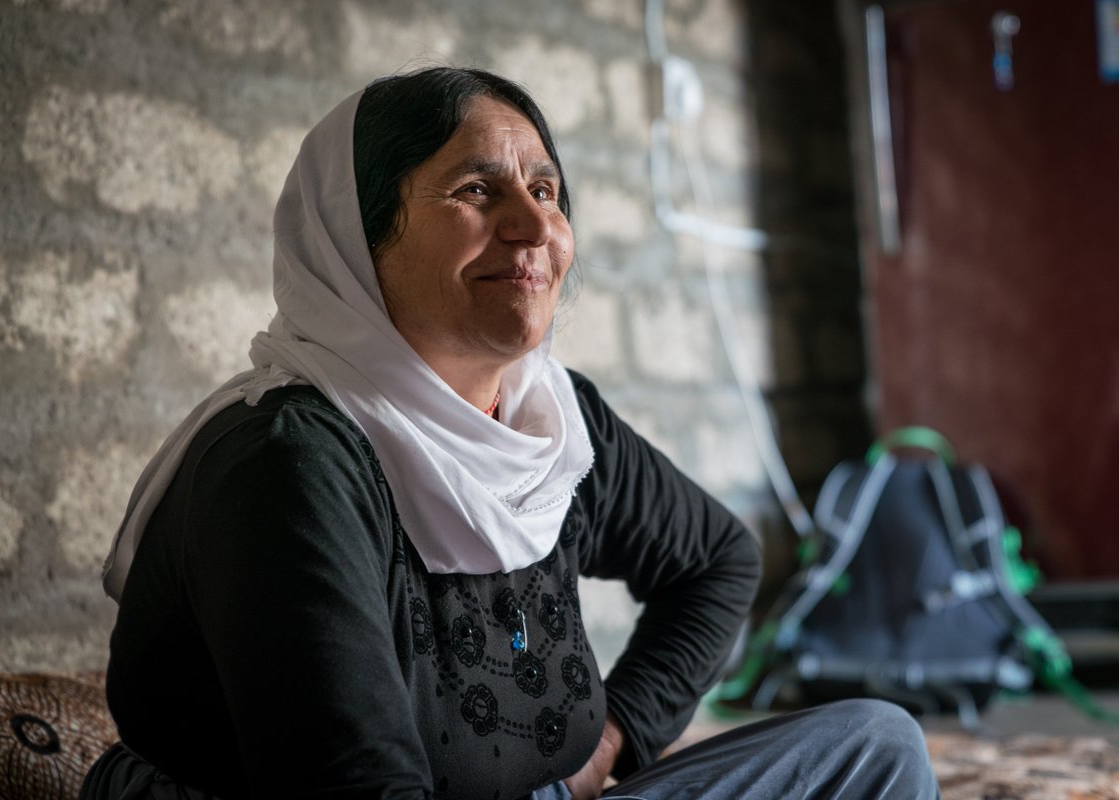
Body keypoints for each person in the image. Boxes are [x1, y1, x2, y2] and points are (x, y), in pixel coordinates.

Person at [81, 67, 938, 800]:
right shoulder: (290, 464)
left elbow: (717, 560)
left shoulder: (547, 422)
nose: (535, 228)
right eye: (476, 191)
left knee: (876, 746)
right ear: (355, 237)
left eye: (545, 191)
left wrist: (611, 744)